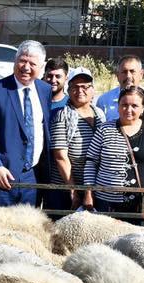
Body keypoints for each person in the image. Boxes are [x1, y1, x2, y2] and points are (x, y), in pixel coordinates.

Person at [0, 40, 52, 207]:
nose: (26, 67)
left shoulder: (44, 90)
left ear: (41, 67)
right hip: (4, 176)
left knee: (28, 228)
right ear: (15, 61)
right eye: (22, 61)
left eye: (32, 63)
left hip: (33, 175)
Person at [84, 86, 144, 218]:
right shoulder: (104, 130)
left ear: (142, 107)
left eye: (134, 105)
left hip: (139, 203)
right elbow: (91, 162)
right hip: (106, 202)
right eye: (124, 105)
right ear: (118, 106)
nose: (129, 110)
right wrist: (88, 193)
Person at [49, 67, 103, 212]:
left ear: (93, 90)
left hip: (92, 189)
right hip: (67, 190)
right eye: (75, 87)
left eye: (85, 86)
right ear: (68, 90)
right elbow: (60, 157)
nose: (80, 91)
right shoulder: (62, 116)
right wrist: (73, 190)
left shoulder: (99, 114)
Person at [95, 55, 144, 121]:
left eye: (132, 71)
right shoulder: (104, 100)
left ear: (141, 74)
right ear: (117, 75)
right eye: (124, 72)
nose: (128, 76)